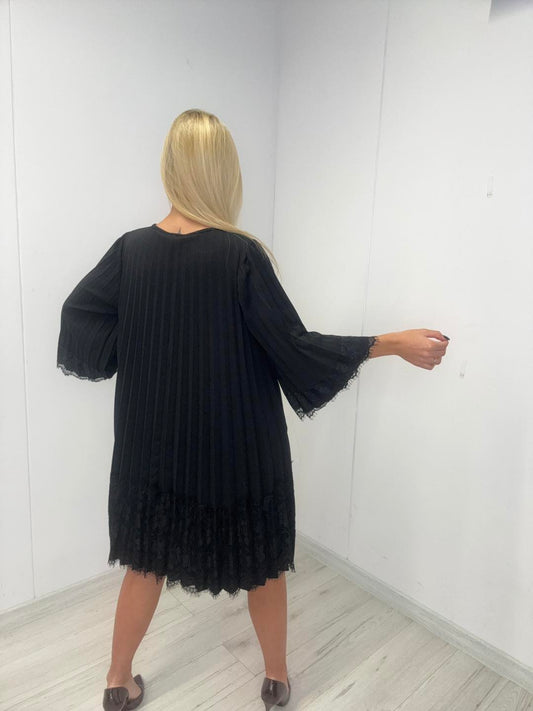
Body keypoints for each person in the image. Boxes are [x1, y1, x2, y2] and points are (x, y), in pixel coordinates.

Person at [56, 109, 449, 711]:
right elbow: (295, 348)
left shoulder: (130, 251)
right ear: (224, 173)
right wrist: (390, 343)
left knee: (145, 562)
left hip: (152, 445)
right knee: (264, 565)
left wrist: (139, 347)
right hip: (237, 445)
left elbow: (78, 315)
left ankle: (117, 680)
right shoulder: (240, 255)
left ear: (170, 168)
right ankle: (275, 679)